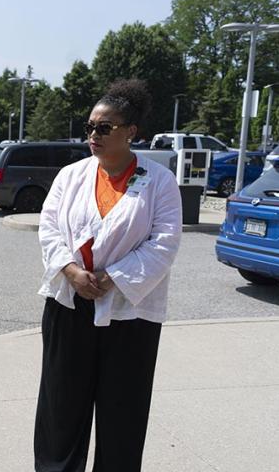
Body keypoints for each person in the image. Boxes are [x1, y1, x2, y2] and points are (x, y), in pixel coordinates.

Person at [34, 79, 182, 471]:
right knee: (61, 409)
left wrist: (112, 278)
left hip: (130, 315)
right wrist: (70, 272)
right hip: (69, 305)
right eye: (90, 127)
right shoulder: (71, 176)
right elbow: (48, 228)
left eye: (105, 127)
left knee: (123, 413)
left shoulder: (159, 181)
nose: (94, 135)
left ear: (131, 132)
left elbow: (163, 243)